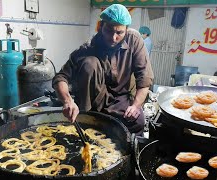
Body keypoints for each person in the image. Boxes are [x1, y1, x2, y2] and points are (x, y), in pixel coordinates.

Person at [52, 4, 154, 136]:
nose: (113, 37)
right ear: (101, 27)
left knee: (138, 121)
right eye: (109, 31)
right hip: (93, 101)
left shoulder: (134, 40)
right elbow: (61, 77)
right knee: (90, 63)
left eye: (119, 33)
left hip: (120, 99)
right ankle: (88, 118)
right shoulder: (88, 48)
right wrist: (67, 101)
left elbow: (144, 78)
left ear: (126, 30)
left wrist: (135, 106)